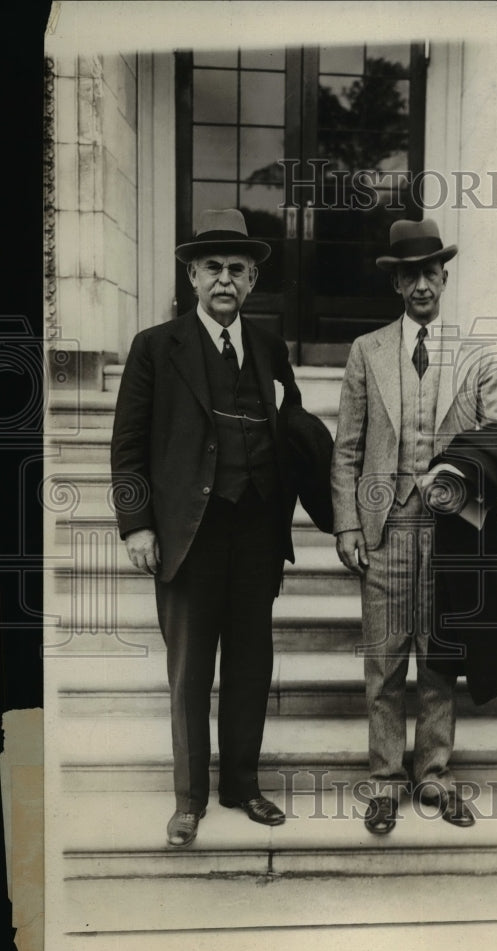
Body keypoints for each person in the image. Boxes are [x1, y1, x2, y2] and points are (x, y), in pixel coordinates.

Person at [111, 208, 304, 848]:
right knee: (191, 669)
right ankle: (189, 799)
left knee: (251, 664)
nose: (226, 280)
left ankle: (242, 785)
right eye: (213, 268)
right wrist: (137, 526)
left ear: (252, 282)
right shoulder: (154, 347)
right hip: (187, 534)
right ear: (193, 275)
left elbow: (295, 433)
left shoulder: (272, 349)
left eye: (238, 270)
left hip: (256, 532)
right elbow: (128, 448)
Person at [330, 219, 497, 834]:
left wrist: (469, 481)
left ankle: (434, 773)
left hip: (451, 530)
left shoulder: (475, 356)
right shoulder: (367, 351)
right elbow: (347, 448)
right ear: (397, 283)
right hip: (385, 527)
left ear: (444, 275)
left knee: (440, 657)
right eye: (408, 275)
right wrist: (347, 527)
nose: (420, 285)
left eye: (429, 272)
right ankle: (385, 779)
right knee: (385, 660)